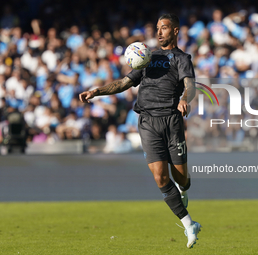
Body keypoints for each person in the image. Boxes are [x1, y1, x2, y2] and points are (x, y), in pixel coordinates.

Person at [79, 14, 201, 248]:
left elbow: (190, 85)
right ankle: (188, 224)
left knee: (182, 179)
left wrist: (185, 99)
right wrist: (96, 91)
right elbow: (124, 83)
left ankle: (182, 189)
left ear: (175, 31)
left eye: (164, 28)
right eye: (157, 28)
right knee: (159, 177)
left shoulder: (182, 58)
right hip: (147, 122)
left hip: (171, 120)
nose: (159, 32)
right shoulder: (146, 57)